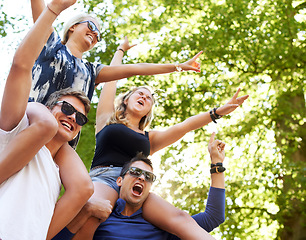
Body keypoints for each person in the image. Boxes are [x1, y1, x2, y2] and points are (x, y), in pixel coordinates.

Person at [0, 1, 93, 239]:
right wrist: (54, 10)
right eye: (68, 108)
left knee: (86, 187)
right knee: (46, 125)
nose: (73, 117)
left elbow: (83, 189)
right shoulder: (17, 129)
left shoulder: (59, 174)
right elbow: (21, 66)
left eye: (80, 118)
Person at [53, 132, 226, 240]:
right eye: (135, 172)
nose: (142, 177)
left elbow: (214, 217)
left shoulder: (161, 227)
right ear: (119, 181)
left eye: (148, 176)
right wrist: (86, 211)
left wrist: (216, 163)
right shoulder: (98, 216)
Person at [29, 0, 202, 105]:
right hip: (29, 125)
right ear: (73, 27)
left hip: (60, 143)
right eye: (91, 26)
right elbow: (43, 10)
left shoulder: (92, 71)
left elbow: (138, 68)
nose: (95, 33)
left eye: (98, 35)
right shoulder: (52, 45)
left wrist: (179, 67)